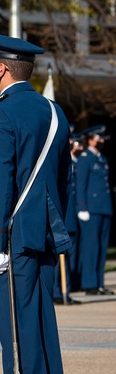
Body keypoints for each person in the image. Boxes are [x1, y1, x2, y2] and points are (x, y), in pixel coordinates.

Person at [0, 31, 70, 374]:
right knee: (39, 318)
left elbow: (0, 182)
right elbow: (63, 179)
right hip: (44, 227)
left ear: (0, 67)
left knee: (15, 323)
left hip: (12, 232)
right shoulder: (53, 111)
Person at [76, 125, 113, 296]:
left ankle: (99, 282)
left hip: (103, 207)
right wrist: (82, 206)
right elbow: (81, 184)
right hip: (91, 208)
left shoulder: (102, 158)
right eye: (98, 138)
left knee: (102, 246)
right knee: (91, 247)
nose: (101, 141)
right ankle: (89, 283)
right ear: (90, 139)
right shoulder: (85, 159)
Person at [54, 133, 84, 304]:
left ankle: (66, 290)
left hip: (70, 215)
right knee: (59, 257)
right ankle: (58, 292)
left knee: (69, 256)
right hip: (60, 216)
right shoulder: (58, 162)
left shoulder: (71, 163)